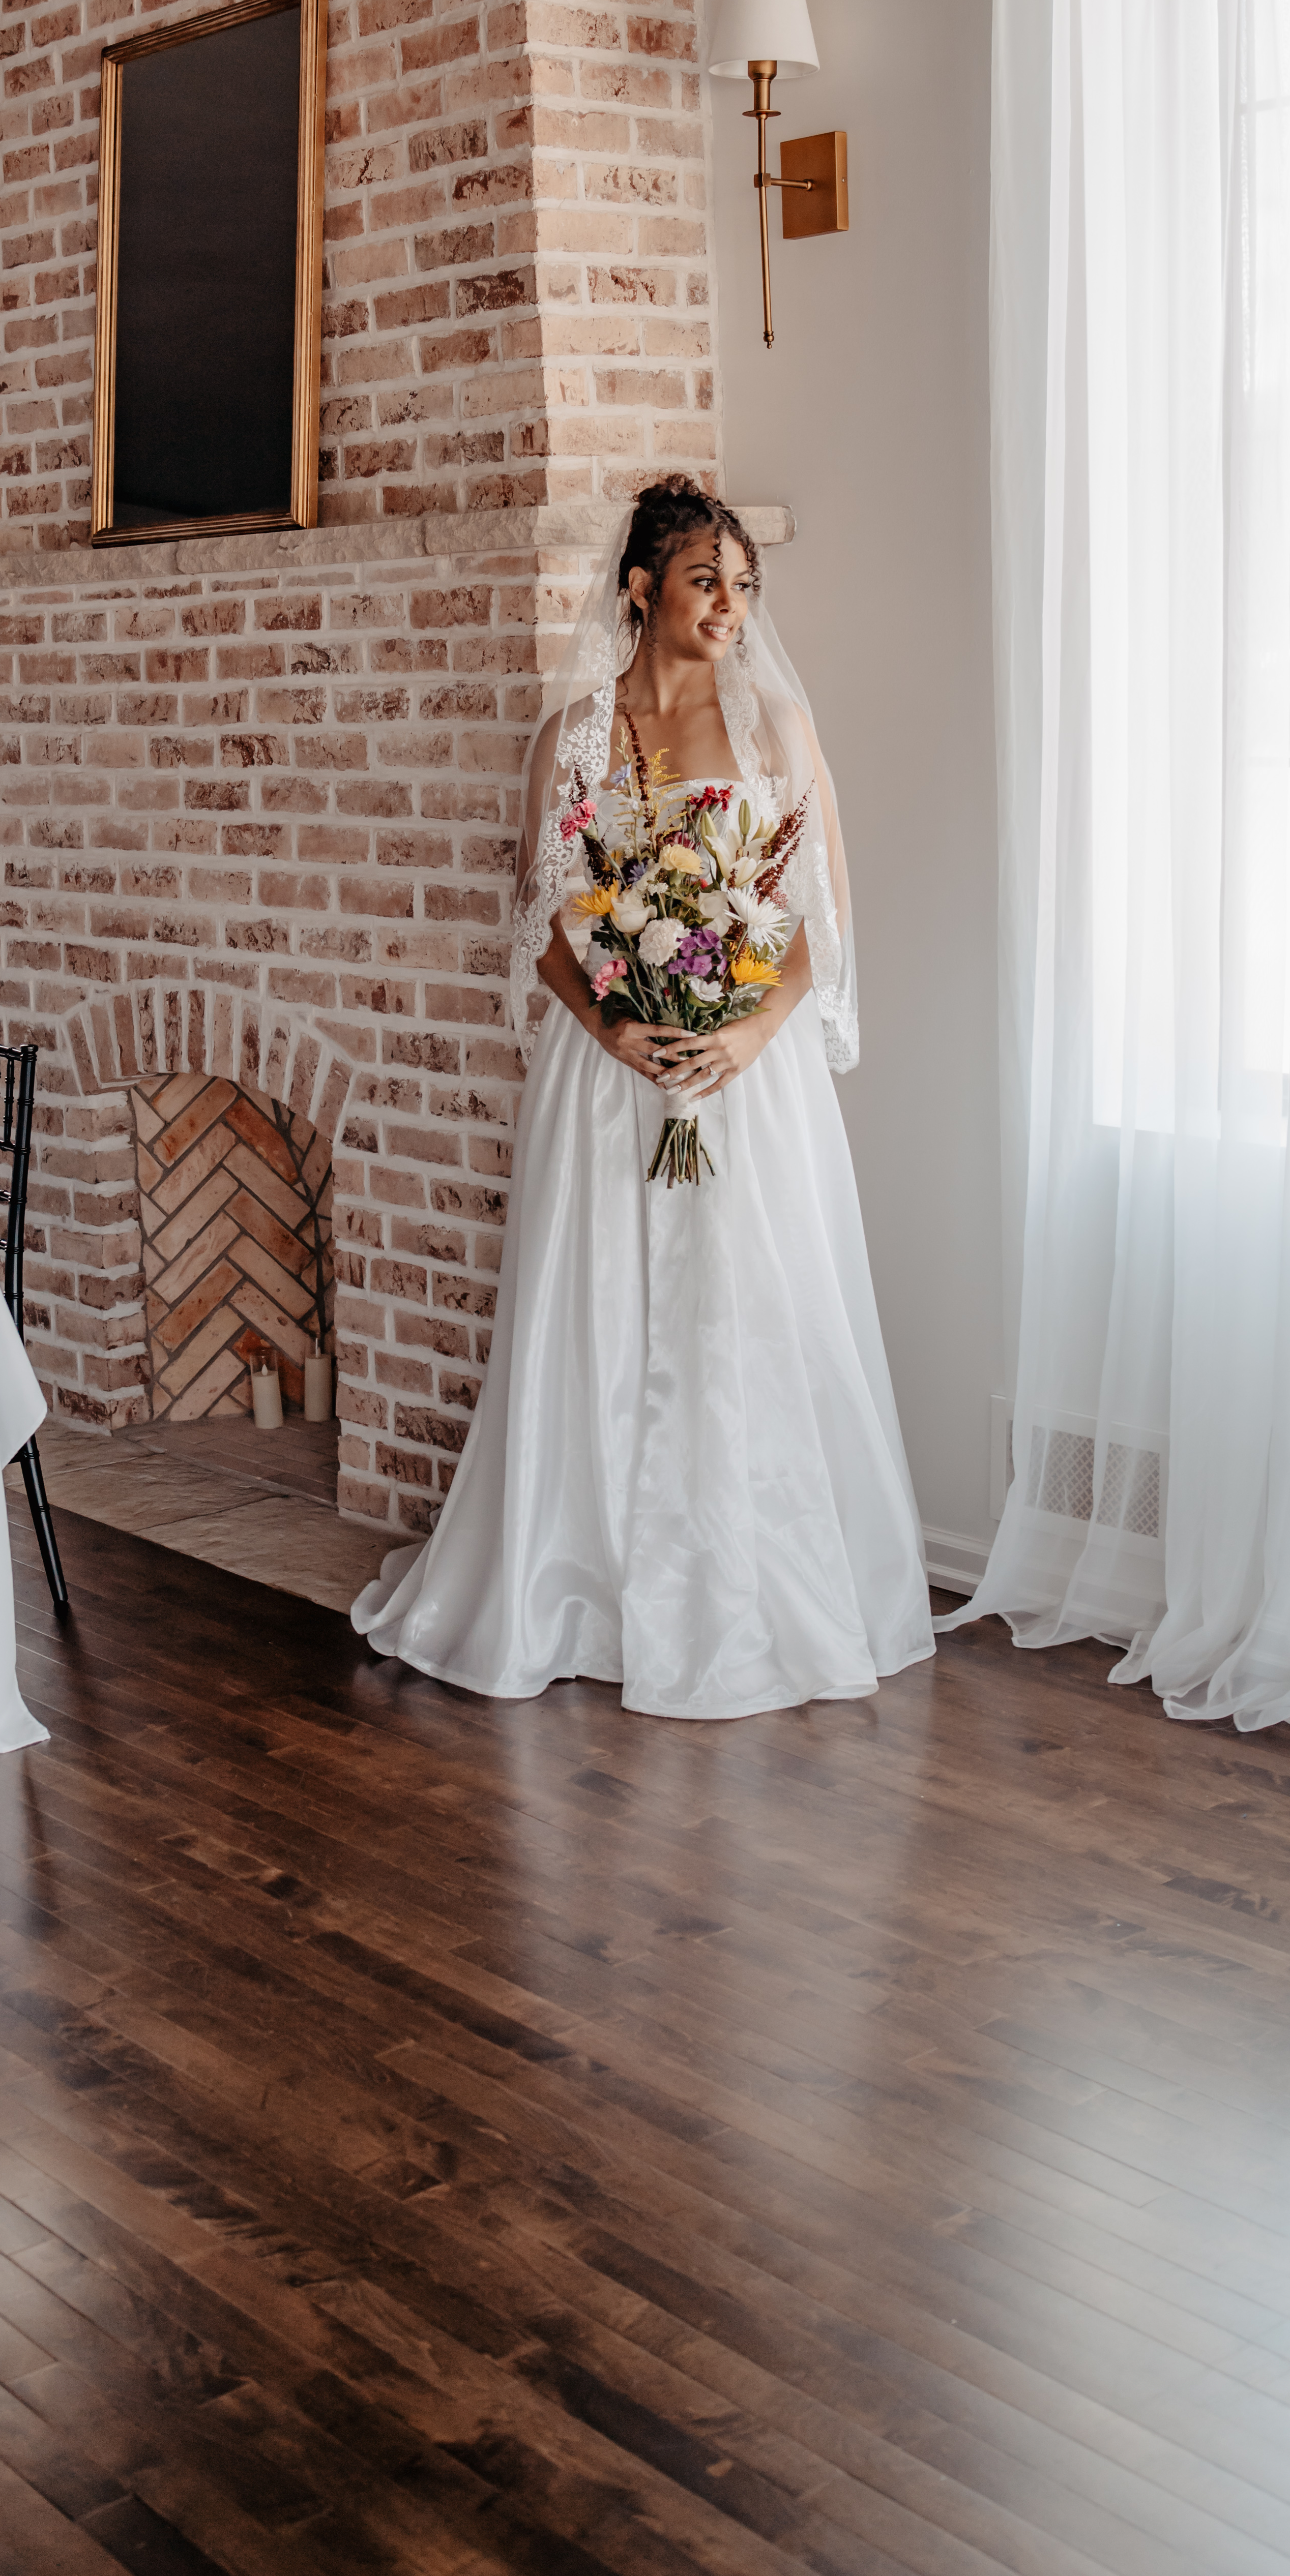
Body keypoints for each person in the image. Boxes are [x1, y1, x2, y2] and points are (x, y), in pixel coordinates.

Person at [351, 477, 934, 1717]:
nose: (729, 605)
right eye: (703, 581)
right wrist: (612, 1022)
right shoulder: (570, 736)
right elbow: (540, 924)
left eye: (740, 585)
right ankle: (588, 1586)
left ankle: (749, 1587)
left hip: (742, 1081)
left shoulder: (776, 727)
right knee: (601, 1310)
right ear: (639, 589)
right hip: (607, 1072)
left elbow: (816, 923)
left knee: (744, 1310)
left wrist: (747, 1035)